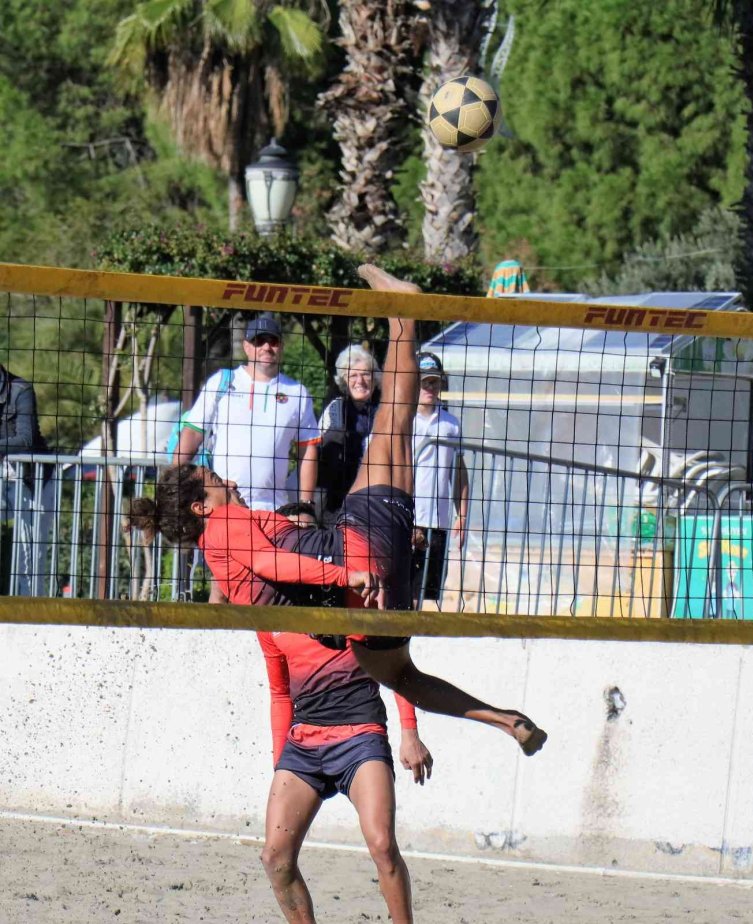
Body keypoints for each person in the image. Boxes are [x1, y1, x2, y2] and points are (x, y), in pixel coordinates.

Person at [127, 264, 547, 760]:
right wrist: (343, 568)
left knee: (406, 677)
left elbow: (279, 663)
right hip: (358, 551)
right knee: (393, 420)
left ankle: (504, 720)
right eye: (216, 479)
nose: (228, 478)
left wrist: (283, 760)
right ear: (202, 506)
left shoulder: (242, 585)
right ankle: (404, 315)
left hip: (366, 600)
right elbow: (272, 563)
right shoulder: (225, 525)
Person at [256, 502, 432, 923]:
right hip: (304, 743)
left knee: (382, 845)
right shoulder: (269, 614)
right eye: (290, 538)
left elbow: (395, 669)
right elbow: (281, 694)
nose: (301, 546)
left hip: (359, 735)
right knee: (275, 858)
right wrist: (281, 761)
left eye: (308, 536)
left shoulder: (356, 597)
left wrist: (410, 733)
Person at [174, 313, 320, 511]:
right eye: (259, 341)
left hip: (272, 507)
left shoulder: (297, 392)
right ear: (246, 347)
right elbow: (192, 433)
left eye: (273, 341)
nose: (266, 347)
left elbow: (308, 451)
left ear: (281, 346)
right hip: (224, 502)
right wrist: (173, 486)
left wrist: (306, 505)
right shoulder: (222, 382)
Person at [411, 352, 469, 604]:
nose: (429, 387)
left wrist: (463, 514)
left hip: (439, 522)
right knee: (404, 593)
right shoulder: (403, 420)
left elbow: (459, 471)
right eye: (424, 381)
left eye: (434, 381)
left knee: (431, 595)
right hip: (407, 520)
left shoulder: (451, 424)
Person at [0, 363, 50, 595]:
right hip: (3, 476)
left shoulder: (21, 390)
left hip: (33, 479)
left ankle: (30, 612)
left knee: (29, 556)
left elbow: (26, 440)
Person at [317, 344, 381, 524]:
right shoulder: (334, 409)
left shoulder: (383, 413)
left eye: (366, 374)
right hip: (335, 503)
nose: (359, 380)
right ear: (344, 381)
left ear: (375, 379)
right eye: (353, 375)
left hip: (372, 501)